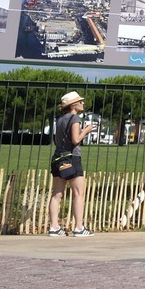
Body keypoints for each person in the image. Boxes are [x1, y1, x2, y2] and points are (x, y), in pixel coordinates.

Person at [47, 90, 95, 237]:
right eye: (80, 101)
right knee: (78, 193)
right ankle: (79, 228)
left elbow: (57, 140)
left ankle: (54, 227)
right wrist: (86, 131)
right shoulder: (75, 119)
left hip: (58, 158)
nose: (82, 103)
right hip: (72, 158)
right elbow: (75, 140)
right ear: (73, 105)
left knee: (56, 194)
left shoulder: (60, 119)